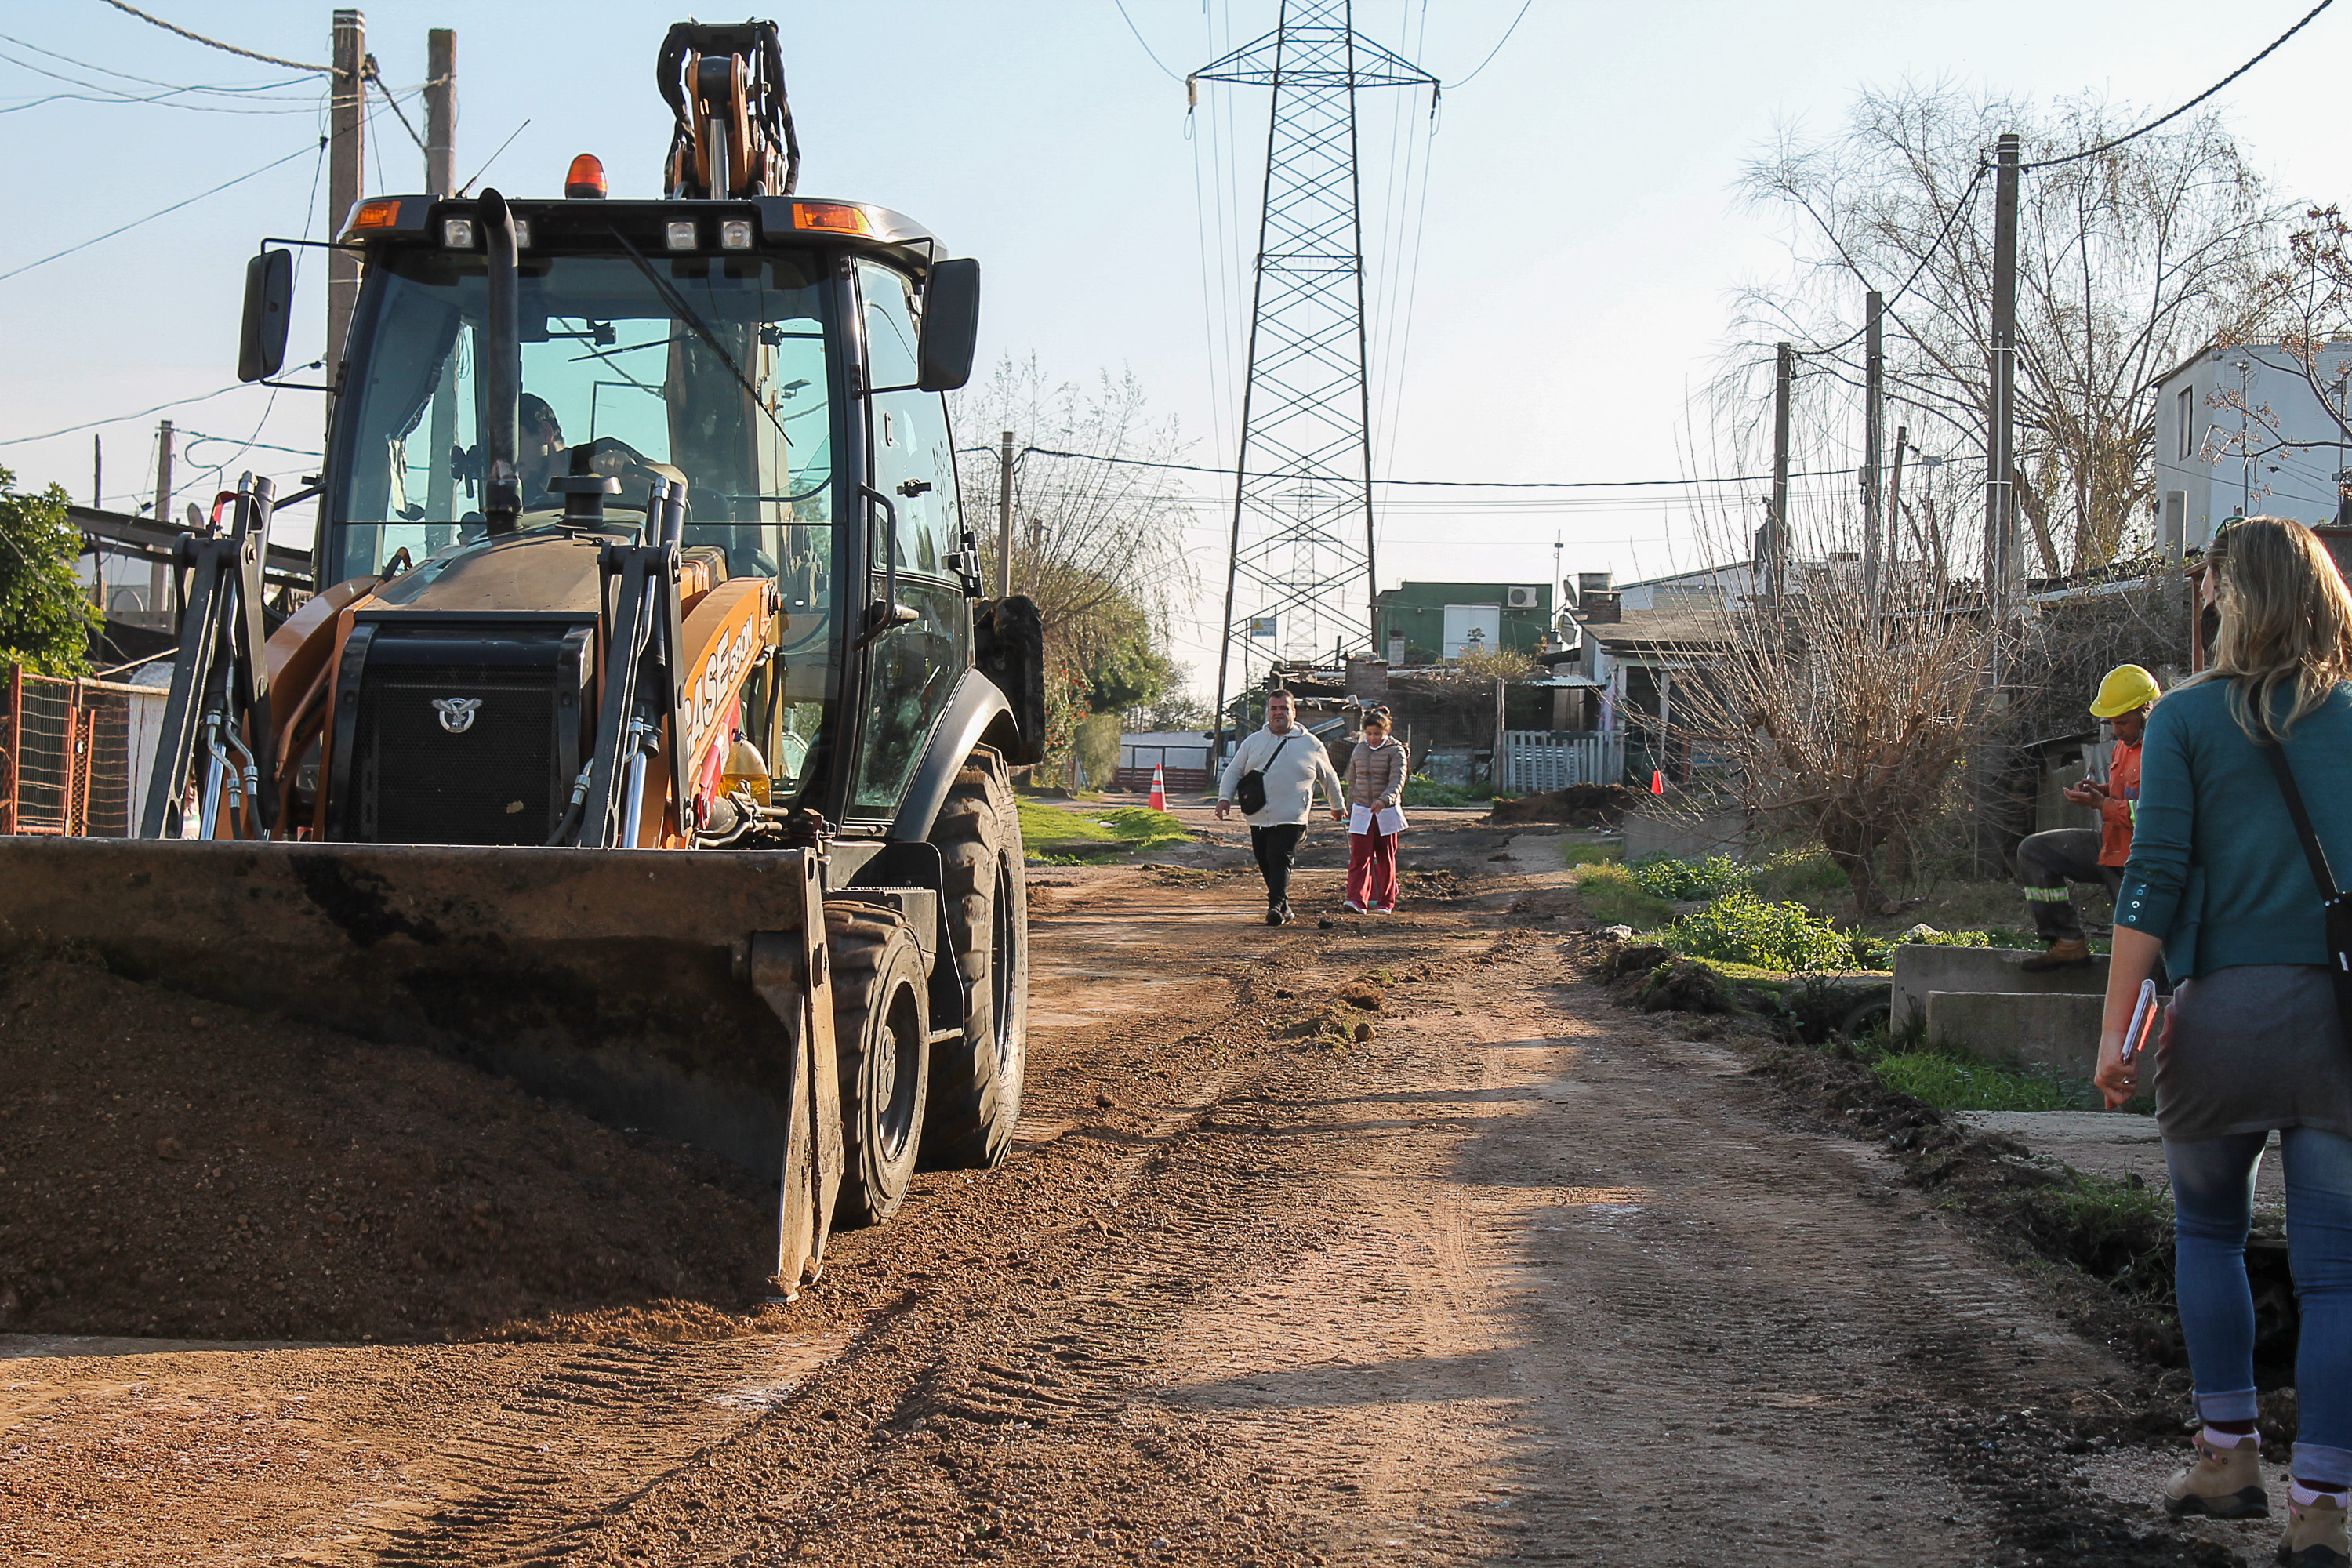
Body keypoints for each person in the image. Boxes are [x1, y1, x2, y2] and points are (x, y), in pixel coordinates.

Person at [2095, 517, 2352, 1565]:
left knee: (2210, 1235)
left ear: (2224, 599)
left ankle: (2228, 1456)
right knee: (2338, 1274)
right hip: (2338, 1024)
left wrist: (2116, 1031)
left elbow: (2150, 883)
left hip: (2216, 1021)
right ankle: (2324, 1510)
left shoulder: (2185, 723)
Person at [2018, 664, 2160, 971]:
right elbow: (2129, 792)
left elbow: (2153, 814)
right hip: (2111, 846)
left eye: (2122, 722)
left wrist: (2102, 805)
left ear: (2147, 710)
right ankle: (2067, 941)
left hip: (2142, 862)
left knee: (2144, 957)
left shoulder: (2163, 749)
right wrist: (2101, 790)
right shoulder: (2125, 745)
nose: (2116, 730)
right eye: (2112, 722)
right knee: (2035, 851)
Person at [1215, 690, 1345, 926]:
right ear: (1268, 713)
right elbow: (1234, 771)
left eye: (1284, 708)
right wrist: (1224, 798)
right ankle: (1283, 906)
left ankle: (1275, 905)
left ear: (1293, 712)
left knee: (1279, 857)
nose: (1278, 713)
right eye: (1274, 708)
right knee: (1265, 860)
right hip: (1258, 815)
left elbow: (1329, 777)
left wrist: (1337, 806)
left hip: (1292, 816)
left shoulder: (1310, 744)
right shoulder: (1253, 742)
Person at [1344, 708, 1407, 914]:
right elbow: (1352, 780)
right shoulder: (1359, 750)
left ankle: (1385, 902)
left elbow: (1397, 780)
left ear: (1387, 731)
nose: (1372, 738)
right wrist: (1350, 806)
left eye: (1377, 734)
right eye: (1369, 734)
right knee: (1359, 857)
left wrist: (1384, 800)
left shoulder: (1396, 751)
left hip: (1385, 811)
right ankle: (1357, 900)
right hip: (1362, 809)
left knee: (1385, 857)